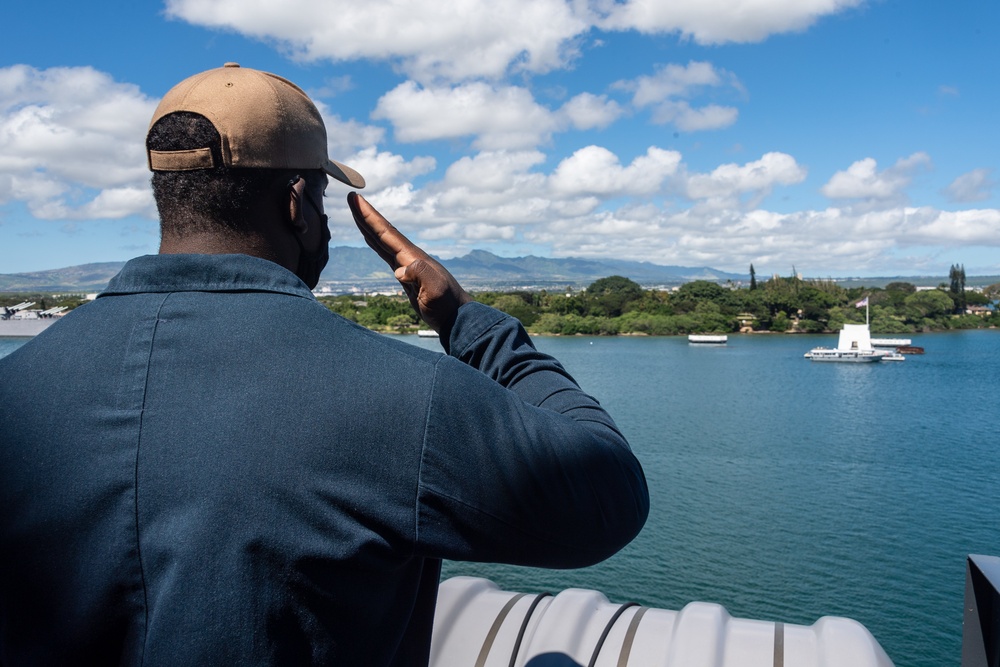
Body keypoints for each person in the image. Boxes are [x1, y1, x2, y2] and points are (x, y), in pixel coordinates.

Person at [0, 63, 648, 666]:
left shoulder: (17, 392)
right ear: (296, 206)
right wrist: (465, 320)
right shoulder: (399, 395)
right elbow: (607, 496)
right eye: (321, 200)